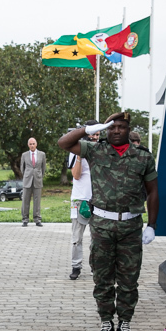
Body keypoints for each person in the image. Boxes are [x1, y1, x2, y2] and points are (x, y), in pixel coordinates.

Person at [57, 112, 159, 331]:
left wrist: (152, 225)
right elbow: (63, 143)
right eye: (112, 127)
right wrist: (89, 129)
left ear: (128, 130)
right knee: (102, 278)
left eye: (121, 127)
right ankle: (105, 323)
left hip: (131, 227)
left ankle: (124, 324)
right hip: (102, 225)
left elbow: (153, 191)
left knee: (128, 279)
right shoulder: (95, 150)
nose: (116, 131)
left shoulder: (142, 157)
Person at [67, 120, 99, 280]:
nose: (95, 137)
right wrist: (81, 154)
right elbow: (76, 175)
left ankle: (96, 267)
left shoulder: (102, 150)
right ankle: (76, 266)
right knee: (77, 238)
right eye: (92, 134)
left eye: (98, 134)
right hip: (80, 199)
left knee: (98, 238)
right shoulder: (75, 150)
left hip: (99, 200)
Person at [20, 137, 46, 226]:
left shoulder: (42, 154)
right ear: (28, 145)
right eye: (30, 144)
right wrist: (27, 175)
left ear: (36, 144)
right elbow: (22, 168)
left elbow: (43, 168)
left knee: (37, 201)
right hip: (27, 180)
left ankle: (37, 219)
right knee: (25, 201)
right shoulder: (24, 155)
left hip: (37, 180)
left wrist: (39, 176)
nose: (32, 145)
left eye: (33, 144)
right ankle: (25, 219)